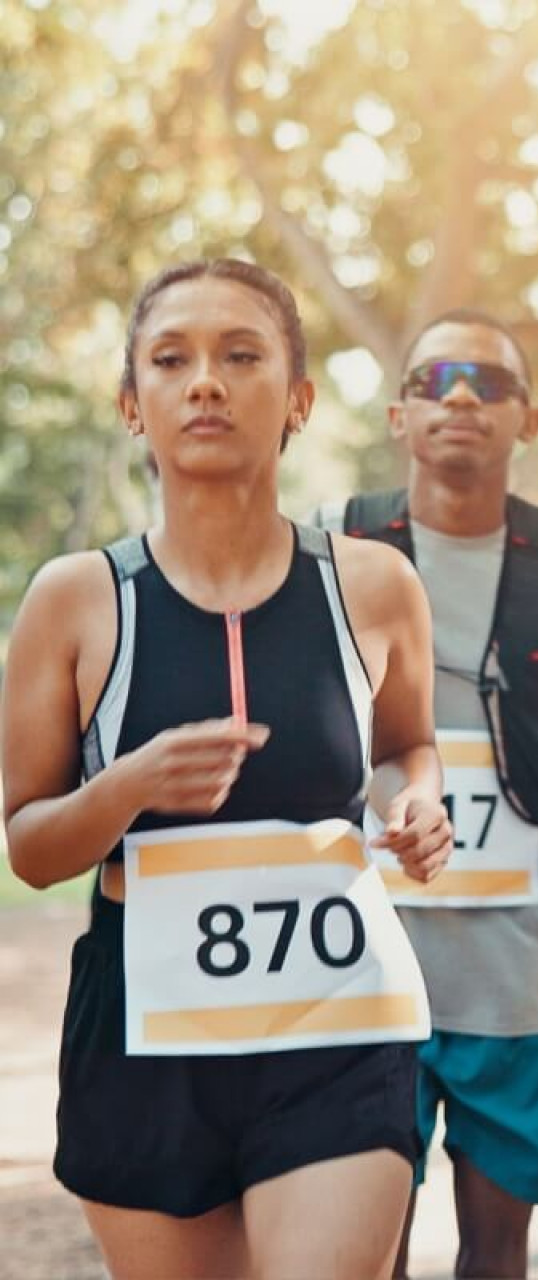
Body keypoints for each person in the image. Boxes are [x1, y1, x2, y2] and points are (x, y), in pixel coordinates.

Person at [0, 258, 452, 1277]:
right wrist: (130, 784)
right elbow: (28, 845)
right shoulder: (74, 599)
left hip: (337, 1021)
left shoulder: (373, 583)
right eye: (172, 359)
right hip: (143, 1036)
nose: (206, 380)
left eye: (241, 355)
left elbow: (405, 746)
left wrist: (421, 800)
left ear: (296, 397)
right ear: (132, 403)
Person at [312, 308, 538, 1277]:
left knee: (497, 1247)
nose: (461, 397)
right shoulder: (333, 543)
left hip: (516, 971)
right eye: (434, 380)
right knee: (362, 1244)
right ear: (397, 414)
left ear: (529, 420)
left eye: (489, 382)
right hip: (357, 966)